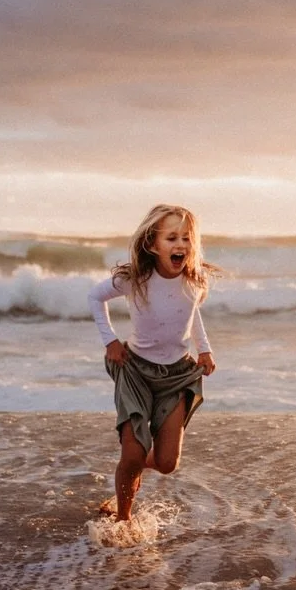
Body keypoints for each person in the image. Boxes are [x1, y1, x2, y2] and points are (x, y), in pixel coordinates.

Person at [88, 204, 217, 522]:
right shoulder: (136, 279)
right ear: (151, 244)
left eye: (186, 238)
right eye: (171, 237)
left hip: (177, 375)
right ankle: (123, 519)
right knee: (132, 453)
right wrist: (110, 341)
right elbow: (95, 297)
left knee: (167, 462)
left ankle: (129, 469)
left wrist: (204, 350)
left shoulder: (194, 280)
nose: (180, 245)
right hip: (136, 371)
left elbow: (190, 313)